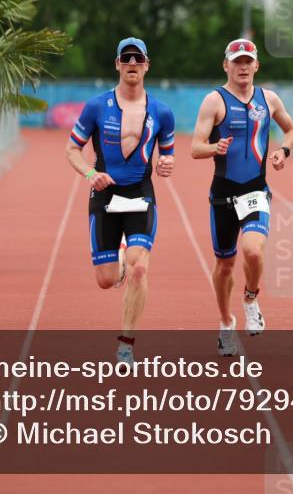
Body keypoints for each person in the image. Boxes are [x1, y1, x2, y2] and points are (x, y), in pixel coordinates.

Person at [65, 37, 175, 366]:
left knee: (141, 270)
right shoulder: (97, 106)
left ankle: (126, 342)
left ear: (146, 65)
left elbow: (167, 156)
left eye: (137, 59)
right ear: (116, 64)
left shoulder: (161, 111)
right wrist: (89, 174)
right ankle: (121, 260)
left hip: (141, 193)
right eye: (125, 58)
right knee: (106, 280)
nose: (131, 64)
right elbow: (72, 150)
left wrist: (166, 164)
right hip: (105, 193)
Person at [191, 39, 293, 356]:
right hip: (223, 195)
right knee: (224, 265)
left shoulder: (269, 99)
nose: (242, 67)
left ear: (256, 66)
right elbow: (196, 148)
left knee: (253, 251)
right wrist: (215, 148)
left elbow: (291, 131)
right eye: (236, 61)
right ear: (226, 65)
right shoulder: (214, 101)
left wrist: (283, 150)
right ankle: (226, 323)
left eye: (248, 61)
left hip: (255, 190)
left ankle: (251, 297)